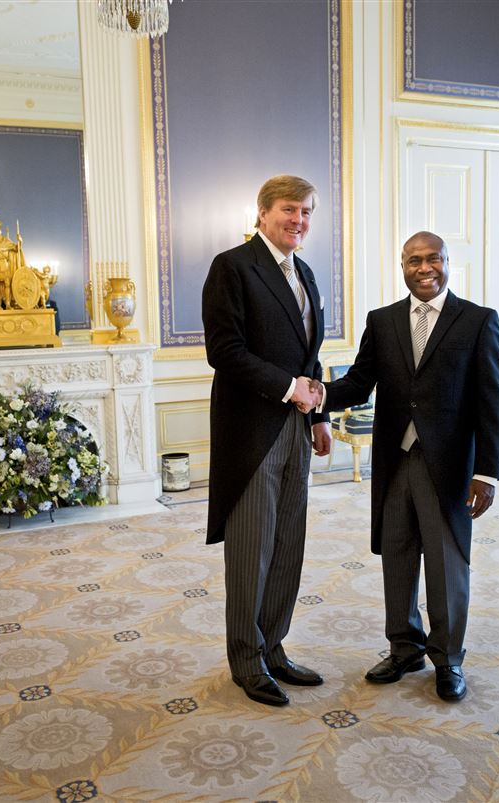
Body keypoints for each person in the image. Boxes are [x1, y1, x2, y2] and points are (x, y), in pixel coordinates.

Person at [308, 230, 499, 702]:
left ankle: (448, 658)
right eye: (414, 261)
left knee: (445, 564)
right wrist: (316, 396)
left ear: (447, 262)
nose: (424, 268)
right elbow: (358, 383)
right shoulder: (382, 321)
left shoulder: (477, 320)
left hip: (449, 467)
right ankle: (404, 648)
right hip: (395, 461)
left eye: (433, 259)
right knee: (396, 556)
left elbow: (493, 401)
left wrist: (487, 472)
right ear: (402, 267)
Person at [201, 174, 331, 707]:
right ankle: (246, 659)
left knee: (287, 547)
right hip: (252, 433)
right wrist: (287, 387)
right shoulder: (233, 266)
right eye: (289, 209)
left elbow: (309, 354)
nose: (298, 220)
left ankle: (274, 647)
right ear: (262, 213)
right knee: (252, 551)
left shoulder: (305, 272)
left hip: (298, 428)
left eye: (306, 211)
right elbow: (224, 351)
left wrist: (319, 415)